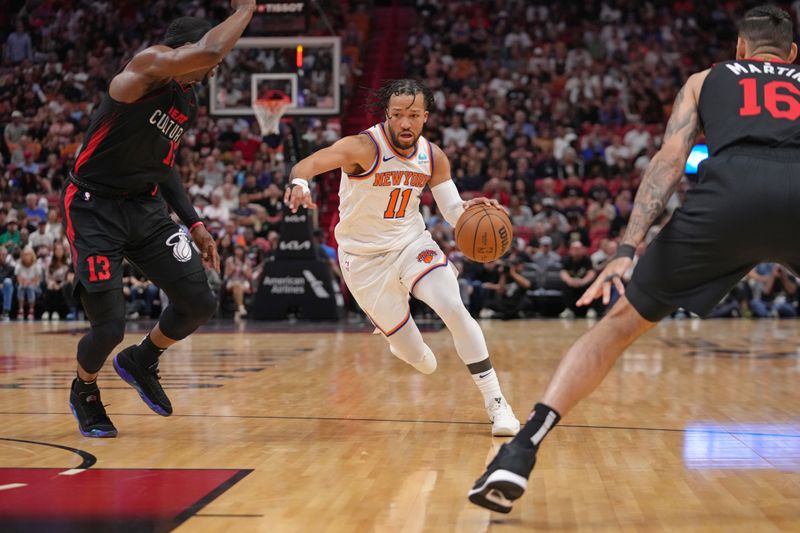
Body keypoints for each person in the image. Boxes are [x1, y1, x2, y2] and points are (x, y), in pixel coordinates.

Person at [469, 5, 800, 512]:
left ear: (740, 49)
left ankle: (520, 450)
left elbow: (670, 162)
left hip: (728, 196)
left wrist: (625, 250)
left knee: (616, 328)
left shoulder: (704, 80)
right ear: (792, 54)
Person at [62, 1, 255, 438]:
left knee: (200, 302)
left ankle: (142, 359)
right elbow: (208, 53)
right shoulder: (145, 68)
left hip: (146, 207)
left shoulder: (186, 98)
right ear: (182, 50)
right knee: (109, 326)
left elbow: (162, 163)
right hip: (93, 207)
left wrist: (195, 222)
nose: (210, 72)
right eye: (207, 62)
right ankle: (85, 389)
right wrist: (247, 8)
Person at [285, 79, 520, 436]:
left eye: (413, 115)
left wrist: (468, 208)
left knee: (454, 308)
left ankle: (497, 403)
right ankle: (401, 341)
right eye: (397, 115)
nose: (405, 123)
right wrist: (300, 184)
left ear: (425, 116)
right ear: (387, 115)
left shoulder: (433, 156)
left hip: (411, 244)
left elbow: (453, 211)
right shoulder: (362, 147)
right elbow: (308, 164)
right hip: (364, 260)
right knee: (421, 361)